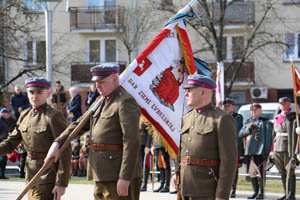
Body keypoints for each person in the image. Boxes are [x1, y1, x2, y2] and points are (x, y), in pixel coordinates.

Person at [45, 63, 142, 200]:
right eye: (96, 82)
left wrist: (125, 177)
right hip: (101, 173)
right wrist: (58, 142)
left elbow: (132, 141)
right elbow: (79, 124)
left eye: (102, 82)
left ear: (115, 79)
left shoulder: (124, 102)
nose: (97, 86)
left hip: (117, 174)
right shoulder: (100, 100)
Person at [0, 77, 72, 200]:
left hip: (47, 174)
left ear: (47, 93)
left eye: (39, 92)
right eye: (31, 92)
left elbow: (65, 149)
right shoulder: (25, 115)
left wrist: (61, 183)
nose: (35, 96)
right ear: (27, 94)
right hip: (30, 173)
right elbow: (10, 143)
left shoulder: (53, 116)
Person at [176, 74, 238, 200]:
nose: (186, 94)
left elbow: (229, 161)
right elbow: (182, 152)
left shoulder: (221, 119)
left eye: (189, 90)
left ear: (203, 92)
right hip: (184, 187)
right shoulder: (186, 118)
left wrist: (222, 194)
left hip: (206, 189)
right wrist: (176, 174)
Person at [239, 103, 273, 199]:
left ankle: (261, 193)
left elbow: (268, 138)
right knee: (251, 172)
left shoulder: (265, 122)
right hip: (250, 150)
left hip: (260, 150)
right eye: (252, 110)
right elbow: (240, 134)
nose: (253, 112)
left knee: (260, 173)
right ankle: (255, 191)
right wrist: (248, 129)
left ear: (260, 111)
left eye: (255, 110)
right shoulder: (248, 122)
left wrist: (266, 152)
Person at [273, 97, 297, 200]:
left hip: (287, 146)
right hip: (277, 146)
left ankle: (291, 194)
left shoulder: (293, 116)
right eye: (280, 104)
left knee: (289, 171)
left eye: (284, 103)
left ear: (289, 104)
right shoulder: (278, 116)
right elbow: (274, 133)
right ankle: (286, 192)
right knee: (282, 171)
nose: (282, 105)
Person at [222, 98, 244, 198]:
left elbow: (236, 130)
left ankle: (233, 189)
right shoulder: (220, 116)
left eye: (229, 105)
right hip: (222, 147)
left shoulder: (237, 117)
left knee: (233, 169)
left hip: (233, 147)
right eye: (225, 106)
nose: (227, 107)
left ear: (233, 106)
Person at [0, 108, 11, 179]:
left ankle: (2, 174)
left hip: (3, 142)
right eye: (7, 113)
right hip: (1, 142)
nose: (8, 114)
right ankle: (1, 174)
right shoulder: (0, 121)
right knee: (2, 159)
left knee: (3, 160)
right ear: (3, 113)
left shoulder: (4, 121)